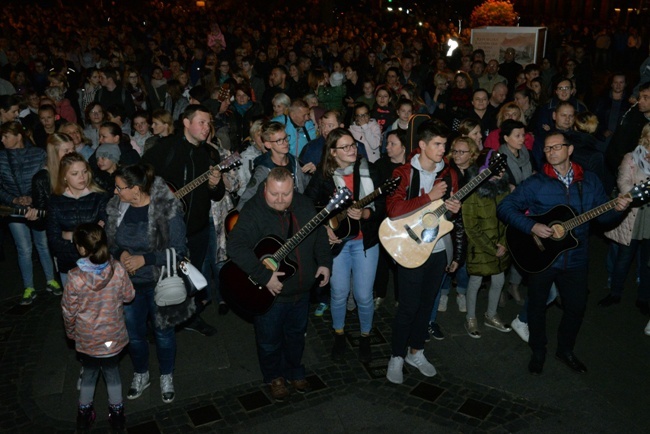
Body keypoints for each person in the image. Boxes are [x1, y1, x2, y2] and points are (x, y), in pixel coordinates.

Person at [497, 132, 632, 375]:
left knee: (576, 307)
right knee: (537, 306)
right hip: (542, 258)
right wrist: (532, 226)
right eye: (547, 149)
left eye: (556, 147)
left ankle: (565, 350)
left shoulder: (589, 181)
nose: (550, 152)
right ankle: (538, 350)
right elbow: (505, 207)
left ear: (569, 150)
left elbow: (602, 218)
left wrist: (619, 209)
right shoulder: (536, 182)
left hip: (577, 258)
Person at [226, 167, 332, 401]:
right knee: (269, 340)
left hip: (301, 291)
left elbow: (320, 236)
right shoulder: (254, 211)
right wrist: (264, 276)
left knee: (296, 335)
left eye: (286, 194)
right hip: (269, 295)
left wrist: (324, 262)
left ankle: (295, 371)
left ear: (293, 189)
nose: (280, 200)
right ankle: (274, 377)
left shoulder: (304, 205)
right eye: (274, 194)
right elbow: (235, 246)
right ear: (265, 188)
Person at [385, 120, 462, 384]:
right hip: (408, 248)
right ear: (422, 145)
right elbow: (393, 210)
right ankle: (396, 355)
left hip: (438, 248)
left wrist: (453, 208)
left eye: (445, 144)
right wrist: (428, 197)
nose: (443, 149)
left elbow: (448, 214)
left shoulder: (449, 174)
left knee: (426, 305)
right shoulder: (403, 172)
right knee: (408, 306)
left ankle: (416, 351)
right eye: (437, 144)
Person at [105, 163, 188, 403]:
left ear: (136, 188)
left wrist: (145, 259)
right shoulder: (117, 208)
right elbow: (110, 241)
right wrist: (121, 254)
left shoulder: (167, 210)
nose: (116, 192)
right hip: (128, 287)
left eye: (120, 188)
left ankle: (166, 375)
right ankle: (141, 374)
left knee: (163, 334)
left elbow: (179, 251)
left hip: (160, 283)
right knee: (134, 336)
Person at [142, 104, 225, 336]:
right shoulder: (165, 148)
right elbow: (139, 175)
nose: (206, 127)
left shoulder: (210, 154)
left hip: (197, 230)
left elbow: (217, 196)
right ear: (186, 123)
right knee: (164, 278)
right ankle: (155, 323)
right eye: (201, 122)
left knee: (193, 277)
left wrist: (214, 184)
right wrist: (157, 198)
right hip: (166, 230)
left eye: (209, 123)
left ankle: (191, 317)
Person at [305, 128, 383, 364]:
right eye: (346, 147)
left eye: (353, 145)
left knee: (363, 296)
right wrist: (324, 229)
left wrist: (367, 213)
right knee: (338, 294)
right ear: (333, 152)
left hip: (365, 242)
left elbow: (384, 207)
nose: (352, 150)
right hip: (337, 245)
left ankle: (366, 337)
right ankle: (339, 334)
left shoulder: (368, 169)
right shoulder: (323, 176)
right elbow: (306, 207)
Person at [61, 223, 135, 432]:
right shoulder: (118, 269)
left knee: (89, 375)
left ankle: (84, 415)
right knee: (112, 374)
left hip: (88, 339)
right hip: (112, 338)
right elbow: (129, 295)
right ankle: (117, 415)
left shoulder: (75, 277)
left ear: (82, 249)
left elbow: (69, 311)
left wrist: (71, 333)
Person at [0, 121, 59, 304]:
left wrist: (34, 198)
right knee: (23, 248)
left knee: (42, 244)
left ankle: (51, 280)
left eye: (6, 136)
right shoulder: (1, 157)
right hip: (14, 210)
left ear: (18, 136)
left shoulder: (38, 153)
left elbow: (45, 180)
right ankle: (29, 287)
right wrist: (14, 199)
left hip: (36, 207)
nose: (2, 140)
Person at [600, 123, 650, 316]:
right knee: (624, 258)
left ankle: (644, 298)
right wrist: (640, 194)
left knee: (647, 262)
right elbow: (623, 183)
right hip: (633, 214)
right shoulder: (631, 157)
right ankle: (615, 293)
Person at [462, 150, 512, 338]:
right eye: (496, 167)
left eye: (502, 168)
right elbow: (471, 226)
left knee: (499, 280)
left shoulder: (503, 188)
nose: (500, 172)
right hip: (481, 247)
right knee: (475, 281)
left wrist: (504, 243)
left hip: (501, 244)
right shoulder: (472, 191)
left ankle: (491, 315)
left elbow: (509, 218)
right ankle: (470, 318)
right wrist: (492, 249)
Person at [47, 152, 109, 286]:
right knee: (73, 305)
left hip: (97, 262)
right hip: (68, 264)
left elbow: (107, 232)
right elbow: (53, 238)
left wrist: (72, 236)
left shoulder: (99, 197)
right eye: (75, 174)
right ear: (64, 177)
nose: (82, 177)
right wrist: (87, 241)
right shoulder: (55, 201)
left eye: (84, 172)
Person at [236, 121, 313, 211]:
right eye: (279, 141)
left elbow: (309, 189)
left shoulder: (295, 162)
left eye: (285, 138)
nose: (285, 143)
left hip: (295, 213)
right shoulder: (264, 169)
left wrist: (314, 173)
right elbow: (245, 200)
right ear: (268, 144)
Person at [373, 129, 407, 310]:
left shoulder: (411, 166)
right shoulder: (380, 165)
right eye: (387, 143)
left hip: (404, 220)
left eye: (393, 144)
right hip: (383, 218)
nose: (388, 147)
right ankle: (380, 293)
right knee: (382, 260)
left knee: (401, 260)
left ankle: (401, 297)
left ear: (403, 147)